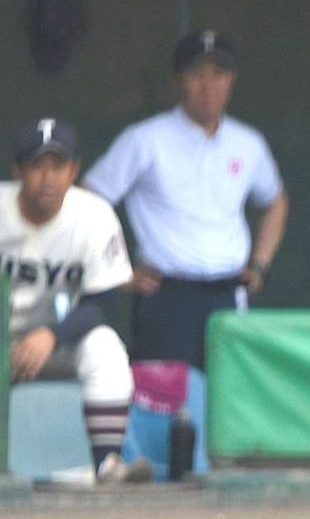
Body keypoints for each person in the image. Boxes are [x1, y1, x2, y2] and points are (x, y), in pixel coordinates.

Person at [83, 29, 287, 371]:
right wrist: (118, 270)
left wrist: (259, 264)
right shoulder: (145, 139)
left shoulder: (248, 143)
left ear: (232, 79)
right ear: (178, 80)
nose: (209, 85)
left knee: (228, 396)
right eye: (197, 73)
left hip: (228, 293)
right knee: (168, 406)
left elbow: (276, 202)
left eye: (219, 73)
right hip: (166, 296)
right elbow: (87, 201)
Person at [1, 117, 150, 482]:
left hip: (58, 339)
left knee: (106, 349)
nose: (48, 177)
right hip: (3, 337)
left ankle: (107, 465)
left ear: (74, 170)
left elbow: (103, 302)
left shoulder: (94, 216)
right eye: (37, 165)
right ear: (18, 169)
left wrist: (51, 336)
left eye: (59, 165)